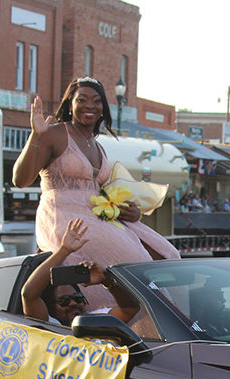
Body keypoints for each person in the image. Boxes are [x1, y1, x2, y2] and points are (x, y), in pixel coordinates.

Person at [12, 77, 179, 311]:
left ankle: (159, 317)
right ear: (70, 104)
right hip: (67, 218)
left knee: (167, 254)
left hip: (99, 216)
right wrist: (36, 137)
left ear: (103, 108)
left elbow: (100, 193)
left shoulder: (97, 145)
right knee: (133, 262)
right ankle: (122, 315)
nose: (90, 105)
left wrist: (129, 211)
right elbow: (20, 180)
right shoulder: (55, 134)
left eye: (96, 100)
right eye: (82, 99)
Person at [21, 218, 138, 326]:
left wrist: (106, 280)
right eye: (64, 301)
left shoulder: (93, 321)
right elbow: (28, 294)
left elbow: (129, 309)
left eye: (78, 298)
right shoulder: (49, 325)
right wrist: (65, 250)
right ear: (51, 307)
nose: (73, 303)